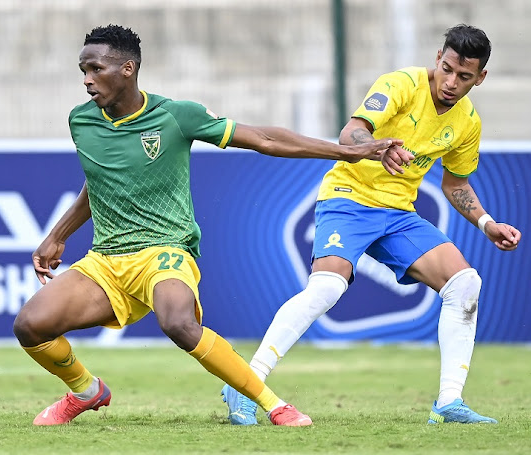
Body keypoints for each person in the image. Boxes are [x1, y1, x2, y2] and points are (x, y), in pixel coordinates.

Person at [12, 24, 402, 427]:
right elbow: (98, 183)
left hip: (164, 250)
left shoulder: (176, 116)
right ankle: (86, 391)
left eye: (95, 69)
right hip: (106, 261)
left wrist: (345, 151)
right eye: (83, 70)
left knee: (178, 323)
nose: (87, 80)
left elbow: (265, 139)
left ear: (127, 68)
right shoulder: (82, 122)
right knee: (30, 325)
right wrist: (56, 236)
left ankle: (274, 404)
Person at [221, 24, 522, 426]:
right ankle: (244, 382)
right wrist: (373, 147)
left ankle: (449, 404)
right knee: (327, 287)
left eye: (464, 76)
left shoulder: (467, 122)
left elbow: (456, 183)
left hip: (398, 215)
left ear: (480, 78)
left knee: (465, 283)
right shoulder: (401, 84)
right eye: (447, 69)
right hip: (349, 198)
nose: (451, 82)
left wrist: (487, 224)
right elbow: (352, 131)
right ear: (438, 57)